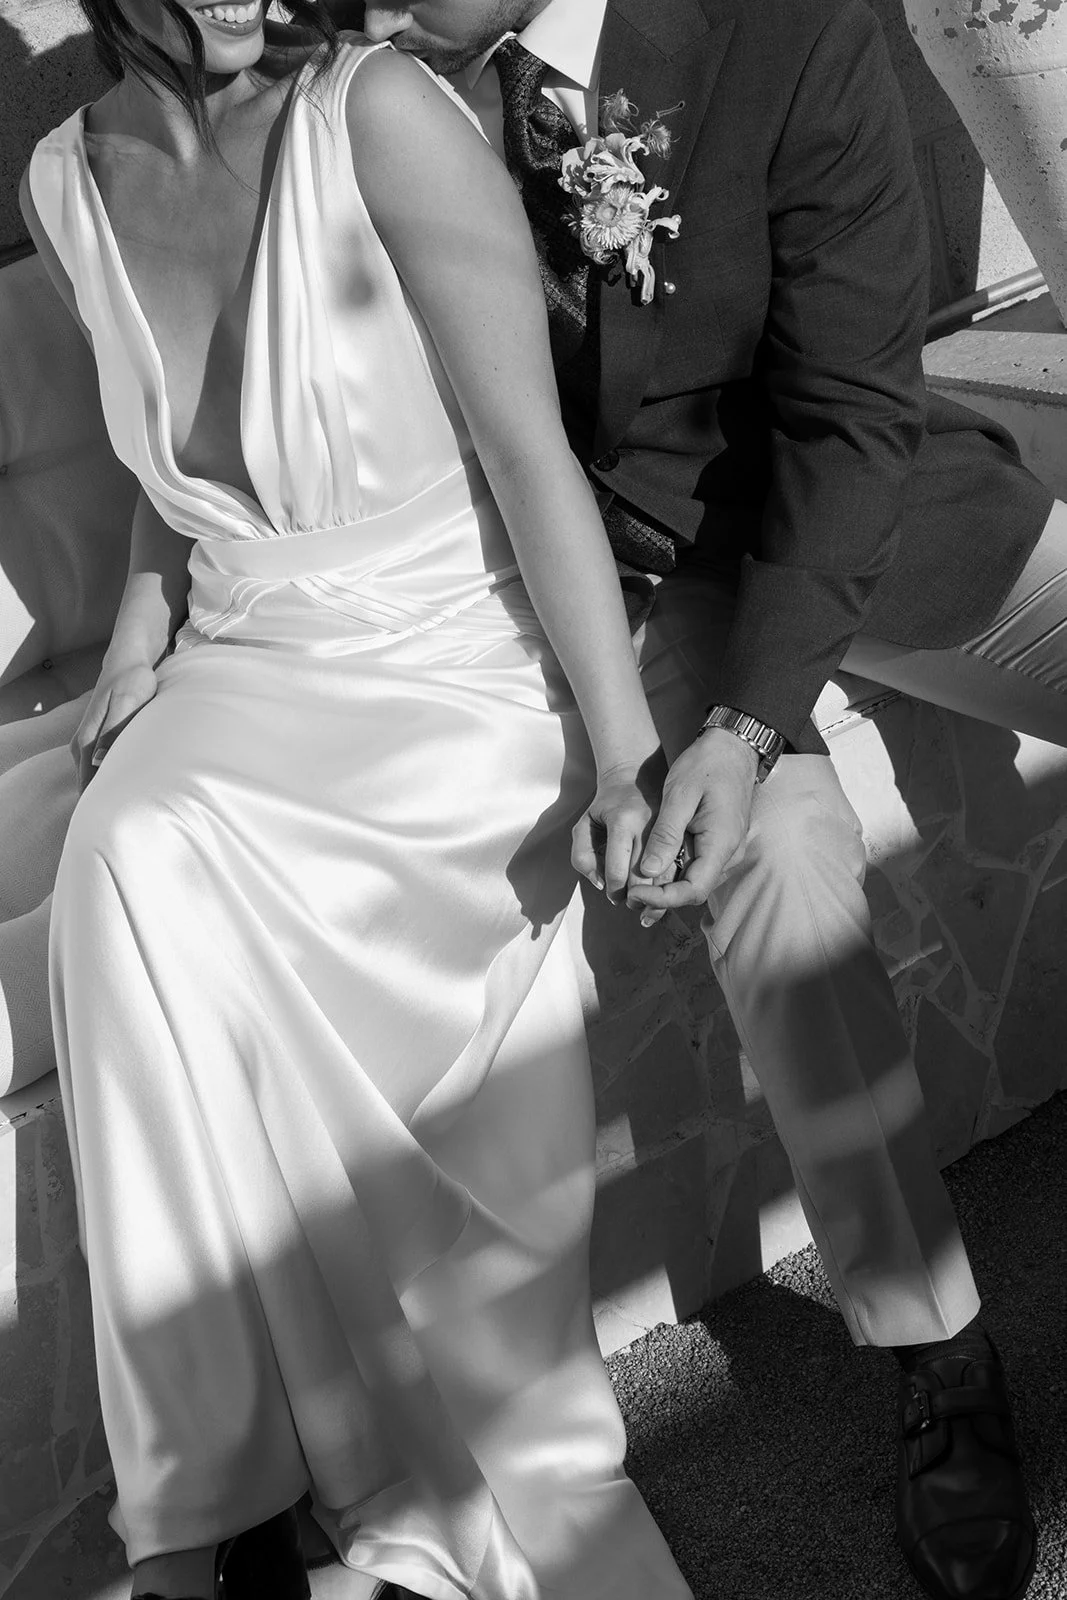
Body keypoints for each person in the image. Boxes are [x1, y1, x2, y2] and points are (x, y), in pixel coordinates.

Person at [356, 1, 1067, 1597]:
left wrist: (758, 709)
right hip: (638, 585)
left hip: (858, 510)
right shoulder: (364, 85)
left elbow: (851, 408)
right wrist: (719, 739)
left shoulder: (780, 25)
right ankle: (936, 1354)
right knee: (786, 891)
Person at [21, 4, 695, 1598]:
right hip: (254, 645)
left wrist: (618, 756)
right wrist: (133, 651)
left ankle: (431, 1472)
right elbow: (150, 466)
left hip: (451, 661)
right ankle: (191, 1523)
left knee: (193, 865)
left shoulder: (375, 111)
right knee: (126, 860)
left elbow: (530, 459)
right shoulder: (66, 180)